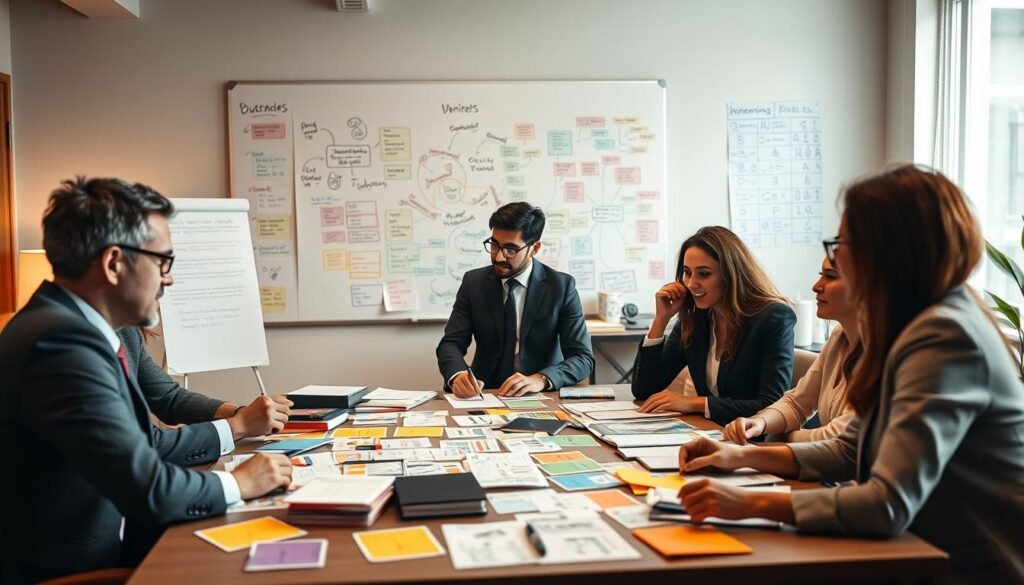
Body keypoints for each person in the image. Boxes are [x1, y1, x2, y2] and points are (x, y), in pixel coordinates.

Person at [678, 165, 1024, 584]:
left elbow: (886, 505)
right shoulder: (914, 321)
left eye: (844, 243)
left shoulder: (942, 334)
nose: (835, 258)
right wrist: (740, 455)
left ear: (890, 250)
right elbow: (850, 447)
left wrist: (749, 504)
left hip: (964, 565)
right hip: (919, 549)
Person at [0, 177, 292, 583]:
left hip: (117, 542)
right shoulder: (61, 345)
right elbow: (147, 485)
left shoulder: (78, 328)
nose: (168, 279)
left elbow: (141, 443)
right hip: (70, 569)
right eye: (162, 262)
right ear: (114, 262)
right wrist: (238, 483)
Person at [631, 226, 796, 426]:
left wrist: (697, 403)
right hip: (709, 432)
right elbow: (644, 390)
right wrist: (661, 320)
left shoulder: (773, 317)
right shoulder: (695, 319)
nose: (691, 284)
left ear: (730, 274)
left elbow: (772, 405)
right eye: (687, 273)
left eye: (704, 274)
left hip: (751, 442)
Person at [437, 202, 594, 397]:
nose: (499, 257)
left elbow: (582, 358)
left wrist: (541, 379)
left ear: (534, 248)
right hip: (485, 393)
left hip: (540, 394)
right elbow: (451, 343)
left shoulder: (561, 287)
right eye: (494, 245)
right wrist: (458, 375)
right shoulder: (473, 283)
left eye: (511, 249)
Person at [723, 256, 860, 443]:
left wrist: (779, 437)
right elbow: (797, 403)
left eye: (830, 276)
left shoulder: (887, 354)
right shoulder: (839, 336)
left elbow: (838, 439)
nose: (816, 286)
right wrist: (758, 422)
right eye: (822, 275)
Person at [120, 326, 291, 439]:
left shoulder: (127, 332)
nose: (168, 281)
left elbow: (169, 398)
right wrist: (240, 425)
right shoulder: (95, 351)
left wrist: (241, 412)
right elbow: (148, 442)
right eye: (161, 270)